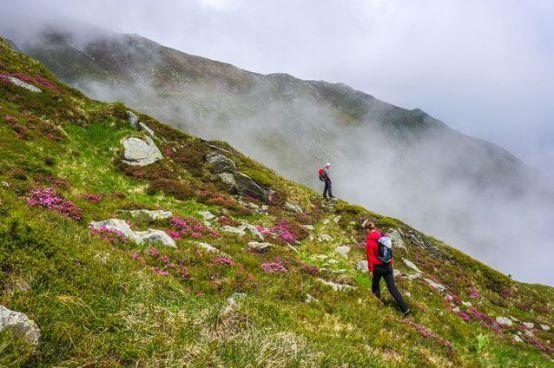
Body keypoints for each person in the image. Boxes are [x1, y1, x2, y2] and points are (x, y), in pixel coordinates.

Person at [364, 220, 409, 316]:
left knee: (375, 285)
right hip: (388, 265)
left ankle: (377, 304)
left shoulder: (370, 241)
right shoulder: (382, 236)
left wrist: (370, 270)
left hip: (378, 267)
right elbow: (389, 249)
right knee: (392, 287)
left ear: (368, 229)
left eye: (366, 230)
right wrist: (390, 262)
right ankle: (404, 308)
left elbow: (370, 257)